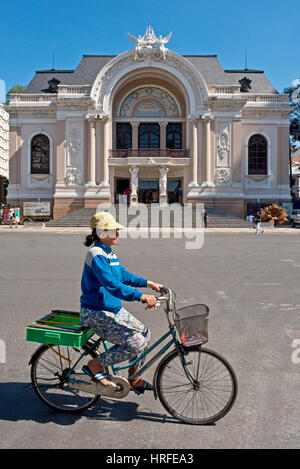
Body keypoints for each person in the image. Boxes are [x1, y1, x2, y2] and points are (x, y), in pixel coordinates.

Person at [80, 211, 163, 391]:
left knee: (145, 333)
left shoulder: (108, 252)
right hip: (96, 312)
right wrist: (140, 296)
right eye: (113, 230)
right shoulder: (96, 254)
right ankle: (95, 365)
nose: (117, 233)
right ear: (102, 233)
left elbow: (123, 275)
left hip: (112, 309)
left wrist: (149, 284)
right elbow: (111, 284)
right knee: (136, 343)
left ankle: (134, 377)